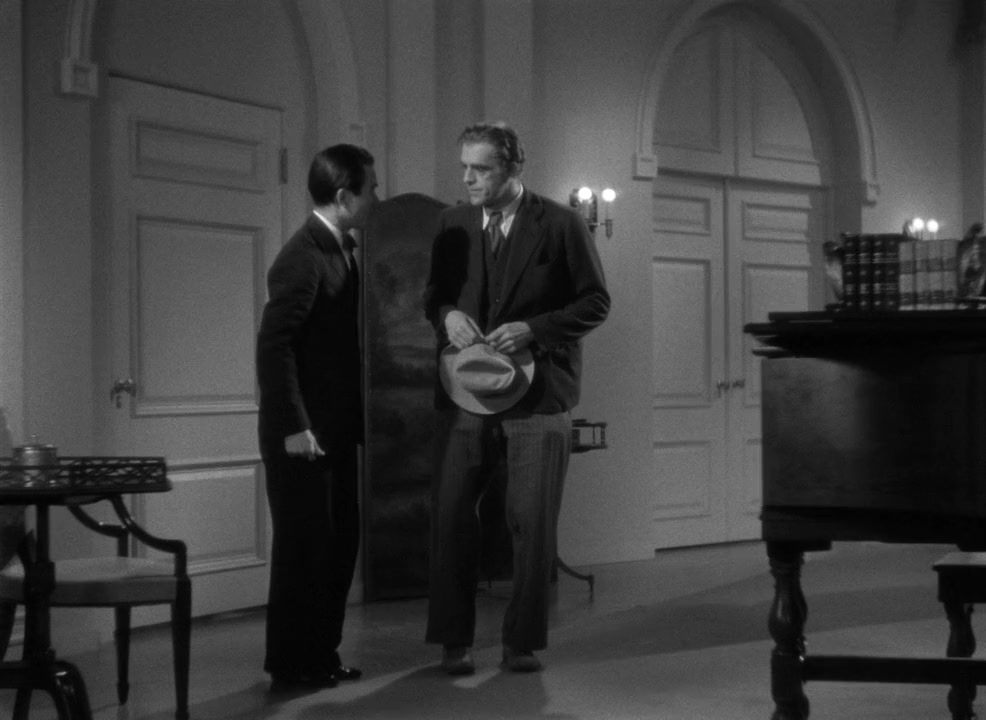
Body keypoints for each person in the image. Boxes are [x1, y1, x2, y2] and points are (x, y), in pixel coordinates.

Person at [424, 122, 610, 674]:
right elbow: (434, 296)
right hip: (466, 394)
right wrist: (447, 316)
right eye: (464, 166)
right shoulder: (451, 223)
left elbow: (596, 302)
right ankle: (453, 641)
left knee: (532, 523)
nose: (468, 178)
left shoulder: (562, 224)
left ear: (512, 168)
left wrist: (535, 329)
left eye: (480, 169)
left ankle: (521, 642)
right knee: (452, 517)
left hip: (540, 396)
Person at [256, 144, 377, 692]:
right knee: (303, 550)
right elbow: (274, 347)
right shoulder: (302, 256)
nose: (377, 198)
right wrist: (295, 426)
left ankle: (321, 656)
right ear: (345, 196)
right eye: (372, 189)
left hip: (333, 430)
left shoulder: (341, 250)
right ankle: (289, 666)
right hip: (302, 434)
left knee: (338, 545)